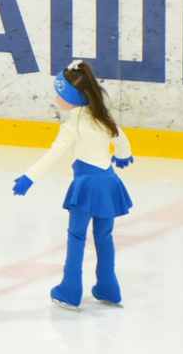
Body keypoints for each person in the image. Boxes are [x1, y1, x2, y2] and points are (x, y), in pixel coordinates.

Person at [14, 59, 135, 309]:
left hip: (86, 186)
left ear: (73, 98)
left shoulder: (71, 128)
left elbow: (53, 156)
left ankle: (69, 290)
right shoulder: (102, 119)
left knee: (77, 237)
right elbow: (121, 139)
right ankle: (109, 288)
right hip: (109, 183)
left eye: (61, 94)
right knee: (104, 236)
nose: (57, 98)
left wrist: (29, 176)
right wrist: (123, 156)